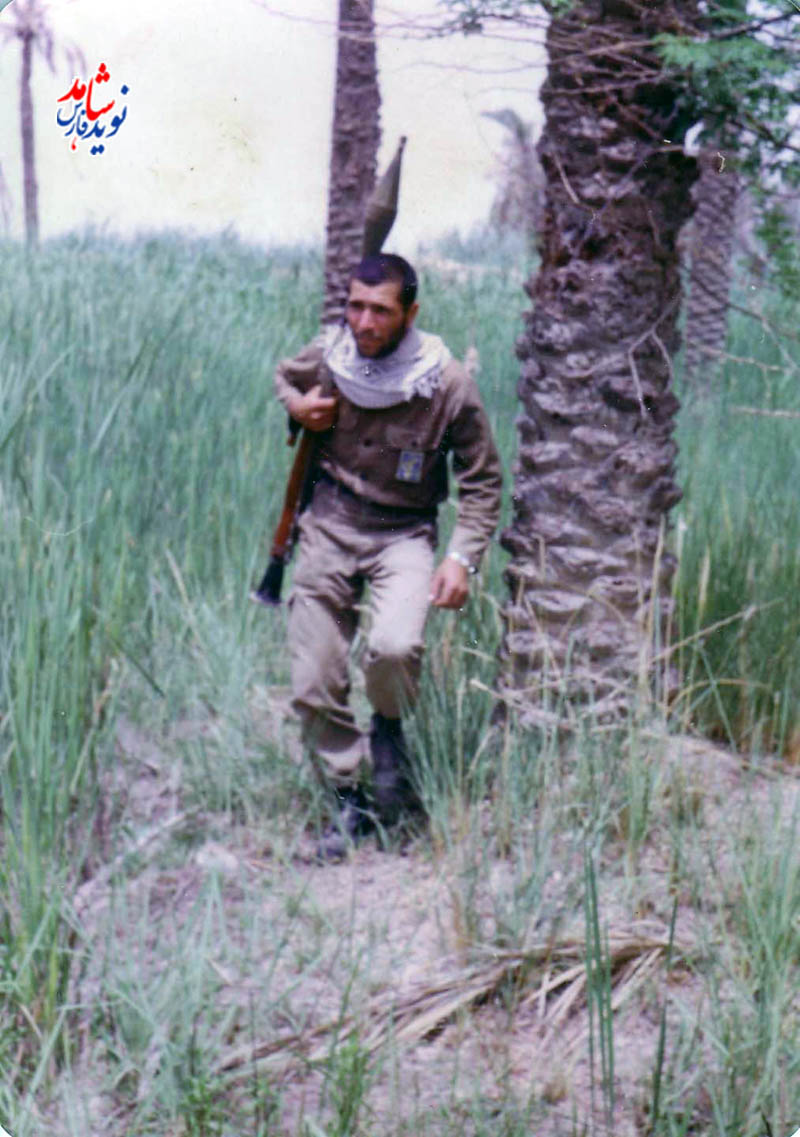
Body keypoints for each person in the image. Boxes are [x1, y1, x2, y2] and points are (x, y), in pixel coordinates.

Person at [273, 253, 502, 858]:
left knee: (396, 647)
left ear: (410, 313)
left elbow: (483, 480)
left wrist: (461, 559)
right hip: (329, 525)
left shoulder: (445, 382)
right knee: (313, 676)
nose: (365, 323)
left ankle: (390, 733)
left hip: (403, 534)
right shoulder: (330, 354)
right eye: (355, 306)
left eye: (380, 310)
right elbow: (285, 377)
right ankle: (350, 796)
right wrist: (298, 408)